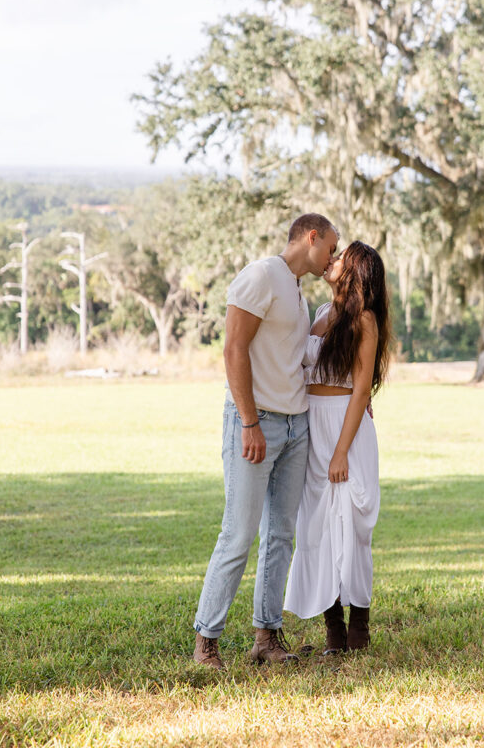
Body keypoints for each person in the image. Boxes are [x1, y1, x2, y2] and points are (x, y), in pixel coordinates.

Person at [193, 213, 339, 669]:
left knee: (280, 536)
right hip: (257, 423)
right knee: (238, 534)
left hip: (297, 426)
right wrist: (250, 422)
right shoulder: (260, 275)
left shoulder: (295, 289)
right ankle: (206, 641)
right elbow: (234, 349)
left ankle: (266, 637)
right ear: (311, 237)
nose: (332, 258)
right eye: (331, 248)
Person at [284, 241, 390, 653]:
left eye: (341, 256)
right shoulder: (322, 313)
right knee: (316, 524)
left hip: (346, 428)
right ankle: (333, 629)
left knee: (352, 524)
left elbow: (361, 389)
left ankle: (359, 625)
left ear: (356, 270)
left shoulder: (364, 320)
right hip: (314, 424)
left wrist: (342, 451)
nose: (332, 259)